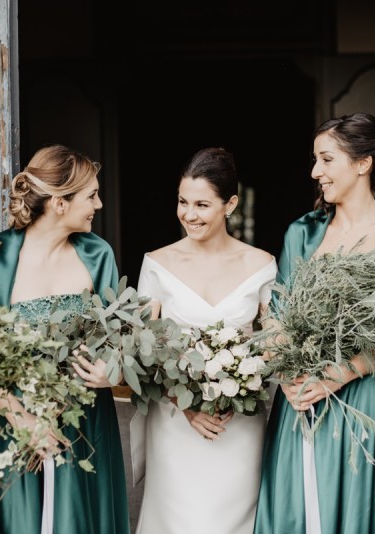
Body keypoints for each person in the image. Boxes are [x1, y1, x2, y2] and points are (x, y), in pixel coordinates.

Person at [254, 112, 375, 534]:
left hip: (372, 404)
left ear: (362, 163)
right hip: (302, 401)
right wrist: (289, 377)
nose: (315, 172)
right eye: (315, 160)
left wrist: (335, 376)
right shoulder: (302, 233)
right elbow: (277, 314)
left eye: (326, 160)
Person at [0, 144, 129, 534]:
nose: (99, 205)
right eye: (91, 196)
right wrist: (21, 417)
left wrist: (112, 371)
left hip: (85, 424)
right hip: (13, 423)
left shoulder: (98, 254)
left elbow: (118, 335)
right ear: (58, 203)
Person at [134, 147, 276, 534]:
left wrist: (248, 378)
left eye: (202, 204)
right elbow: (141, 350)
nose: (189, 215)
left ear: (230, 204)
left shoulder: (262, 265)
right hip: (176, 423)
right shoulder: (158, 263)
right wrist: (186, 404)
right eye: (182, 202)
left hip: (239, 425)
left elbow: (277, 344)